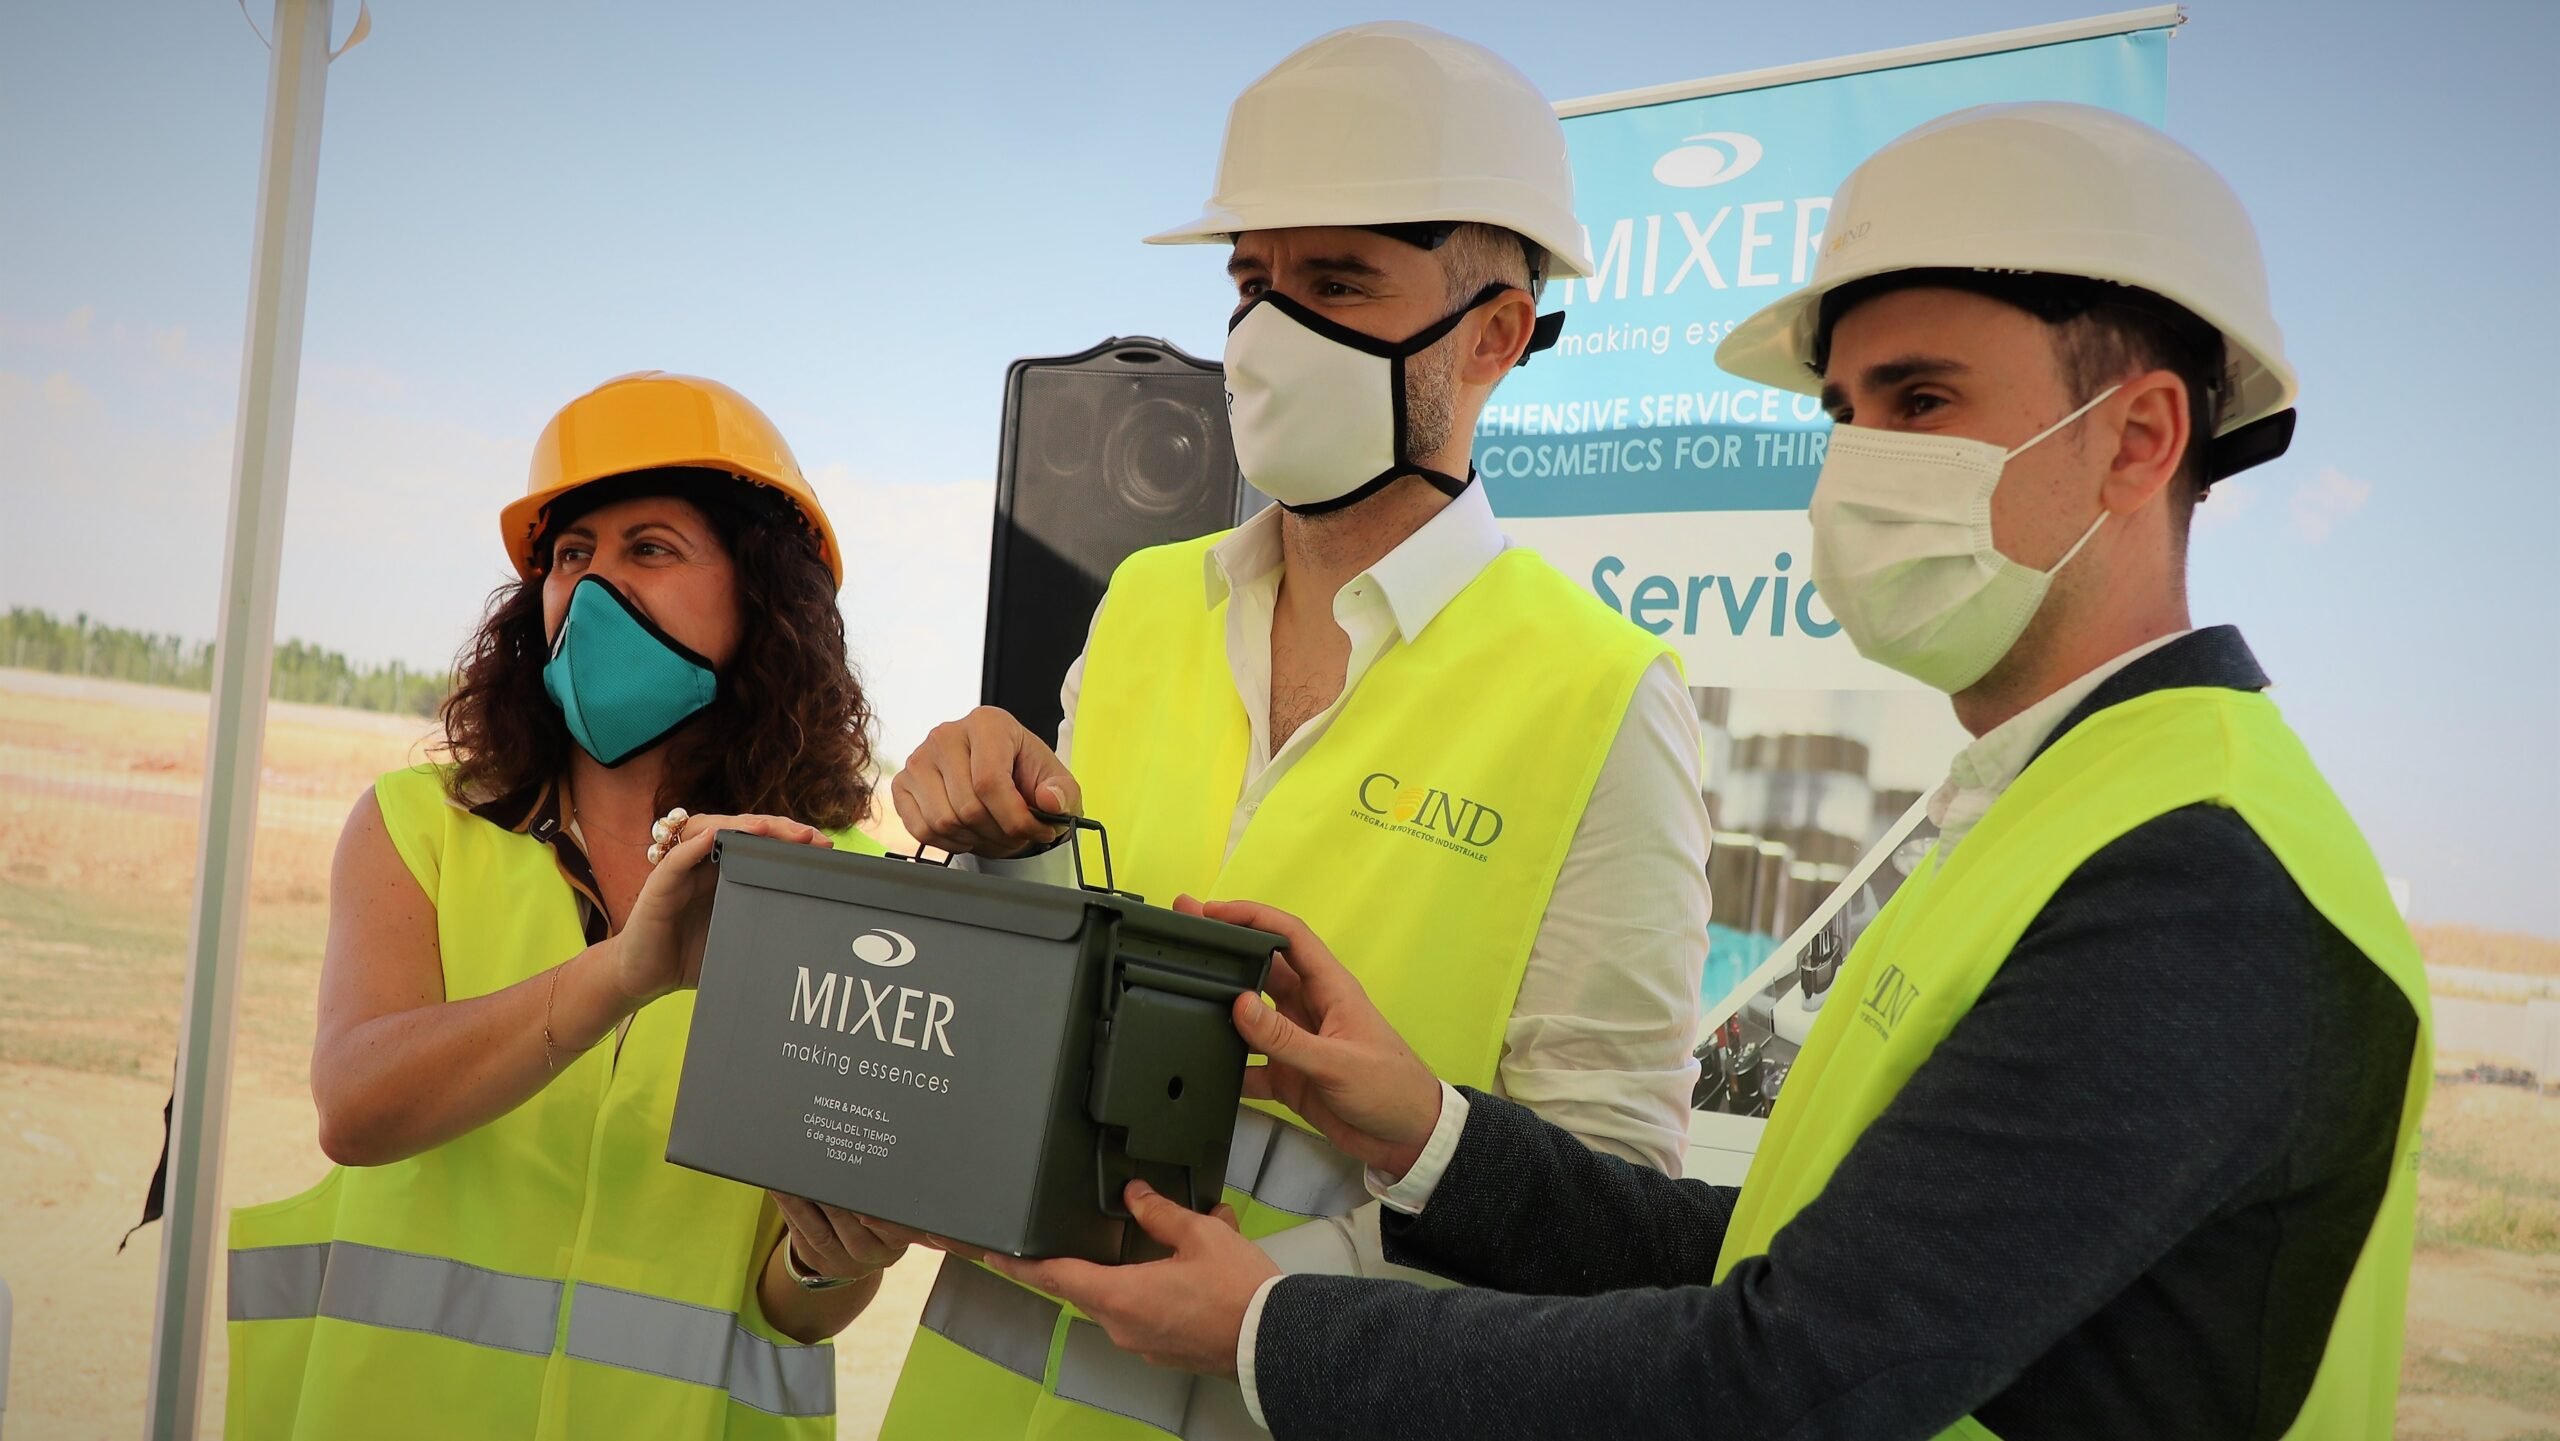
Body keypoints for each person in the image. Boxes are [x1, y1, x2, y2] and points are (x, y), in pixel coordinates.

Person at [997, 104, 2434, 1441]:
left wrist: (1271, 1331)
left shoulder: (2202, 874)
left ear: (2140, 440)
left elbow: (1786, 1370)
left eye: (1921, 400)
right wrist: (1427, 1128)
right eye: (1846, 411)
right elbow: (1776, 1259)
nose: (1861, 462)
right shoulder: (2058, 803)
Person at [875, 22, 1713, 1441]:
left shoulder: (1603, 695)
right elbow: (1046, 995)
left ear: (1496, 336)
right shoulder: (1143, 605)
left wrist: (1286, 1298)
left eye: (1337, 283)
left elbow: (1599, 1202)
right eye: (1253, 282)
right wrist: (980, 837)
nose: (1268, 333)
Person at [226, 371, 923, 1439]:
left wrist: (835, 1262)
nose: (593, 588)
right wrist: (625, 972)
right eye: (570, 555)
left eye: (650, 547)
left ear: (763, 594)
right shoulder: (421, 827)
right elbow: (355, 1110)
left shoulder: (835, 884)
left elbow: (788, 1305)